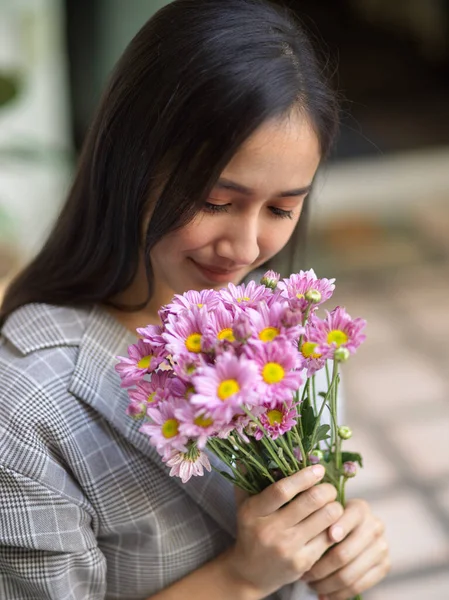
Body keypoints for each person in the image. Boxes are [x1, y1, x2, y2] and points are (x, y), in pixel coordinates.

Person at [0, 1, 390, 598]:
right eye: (214, 201)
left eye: (283, 208)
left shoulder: (274, 325)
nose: (246, 247)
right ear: (131, 162)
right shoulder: (27, 404)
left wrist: (337, 542)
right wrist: (242, 576)